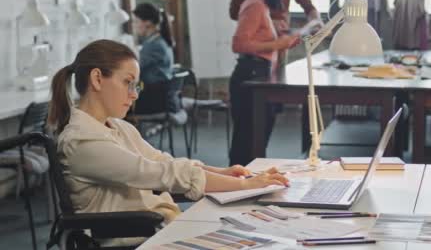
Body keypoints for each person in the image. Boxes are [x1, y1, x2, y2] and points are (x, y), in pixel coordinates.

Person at [47, 40, 289, 231]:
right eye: (128, 83)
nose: (134, 95)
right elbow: (159, 173)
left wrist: (221, 173)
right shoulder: (81, 142)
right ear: (97, 79)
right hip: (138, 237)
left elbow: (163, 161)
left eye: (136, 86)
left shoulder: (118, 127)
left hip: (157, 227)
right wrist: (244, 185)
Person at [229, 0, 300, 166]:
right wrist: (279, 43)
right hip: (250, 74)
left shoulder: (262, 7)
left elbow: (257, 37)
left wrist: (278, 34)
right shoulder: (255, 5)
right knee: (247, 139)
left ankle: (250, 183)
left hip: (258, 72)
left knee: (256, 138)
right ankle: (239, 185)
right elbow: (239, 44)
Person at [131, 3, 177, 114]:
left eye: (136, 21)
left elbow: (137, 70)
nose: (134, 25)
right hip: (159, 97)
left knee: (115, 104)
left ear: (148, 23)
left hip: (155, 100)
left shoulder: (153, 45)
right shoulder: (159, 41)